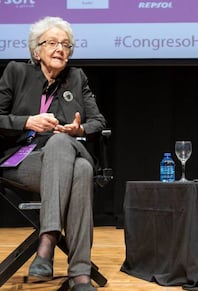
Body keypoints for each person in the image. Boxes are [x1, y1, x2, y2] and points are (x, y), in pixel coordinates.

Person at [0, 17, 106, 291]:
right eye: (52, 43)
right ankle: (80, 274)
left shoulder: (77, 77)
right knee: (82, 170)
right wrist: (26, 122)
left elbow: (98, 122)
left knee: (61, 143)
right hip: (23, 160)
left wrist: (77, 128)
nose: (60, 48)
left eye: (66, 44)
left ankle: (47, 242)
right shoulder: (16, 72)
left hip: (65, 150)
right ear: (37, 51)